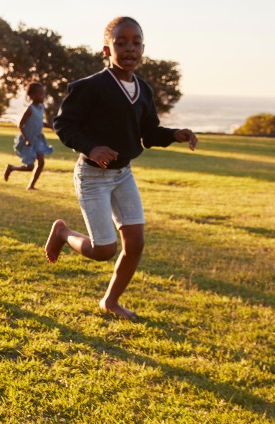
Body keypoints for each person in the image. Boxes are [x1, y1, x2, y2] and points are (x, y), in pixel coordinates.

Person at [44, 16, 198, 320]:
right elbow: (63, 124)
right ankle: (63, 233)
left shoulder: (144, 90)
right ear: (106, 50)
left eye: (136, 42)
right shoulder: (90, 87)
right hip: (92, 176)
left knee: (136, 243)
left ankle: (110, 301)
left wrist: (175, 135)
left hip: (122, 175)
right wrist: (92, 147)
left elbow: (149, 133)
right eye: (121, 42)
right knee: (104, 250)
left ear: (143, 47)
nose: (130, 48)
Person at [3, 82, 54, 190]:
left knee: (41, 162)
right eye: (40, 94)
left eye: (43, 93)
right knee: (30, 167)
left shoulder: (41, 107)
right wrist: (27, 139)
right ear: (32, 96)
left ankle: (31, 185)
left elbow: (39, 122)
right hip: (27, 139)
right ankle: (11, 168)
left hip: (38, 138)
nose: (42, 96)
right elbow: (20, 125)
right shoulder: (29, 109)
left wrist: (50, 126)